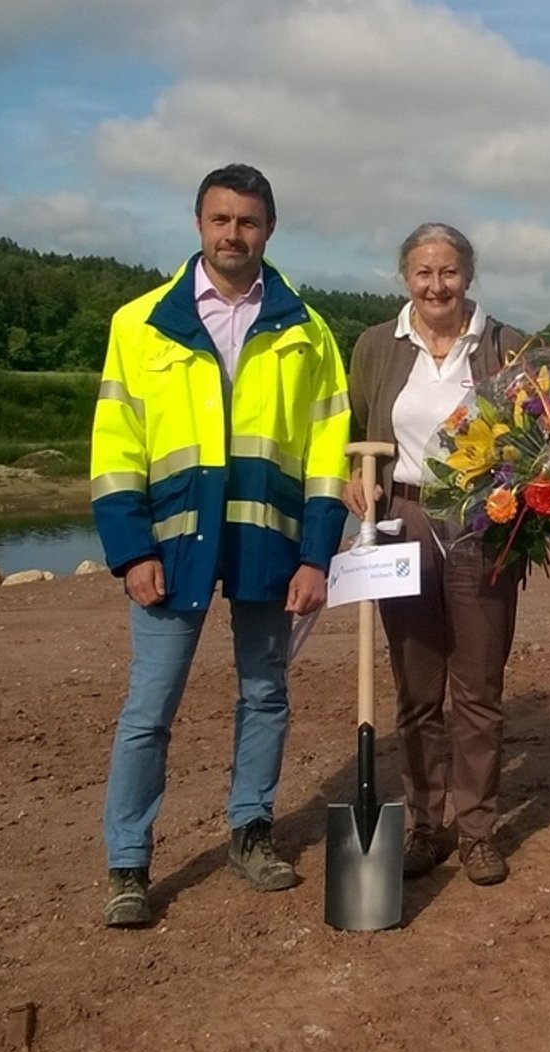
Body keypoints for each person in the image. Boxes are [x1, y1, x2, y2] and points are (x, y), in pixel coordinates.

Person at [89, 163, 350, 928]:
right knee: (149, 710)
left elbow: (328, 451)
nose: (234, 234)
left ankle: (250, 832)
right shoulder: (139, 324)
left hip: (269, 546)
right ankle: (128, 865)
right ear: (199, 224)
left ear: (269, 229)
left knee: (265, 694)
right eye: (220, 220)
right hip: (173, 550)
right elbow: (114, 446)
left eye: (249, 221)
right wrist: (131, 550)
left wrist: (316, 555)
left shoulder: (308, 331)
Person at [344, 223, 527, 886]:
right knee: (417, 687)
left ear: (468, 276)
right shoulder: (375, 347)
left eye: (448, 272)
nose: (436, 285)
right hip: (406, 515)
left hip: (483, 517)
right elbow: (356, 425)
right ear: (405, 278)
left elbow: (535, 433)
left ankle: (477, 829)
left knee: (477, 685)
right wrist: (351, 475)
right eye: (423, 273)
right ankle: (426, 823)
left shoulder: (504, 344)